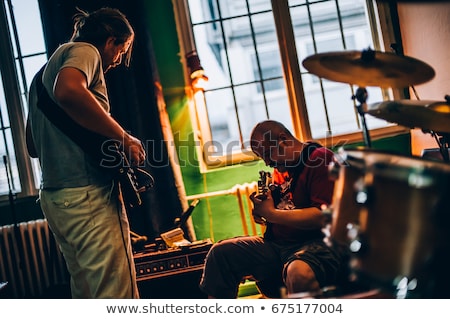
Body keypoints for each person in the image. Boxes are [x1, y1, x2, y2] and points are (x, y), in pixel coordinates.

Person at [25, 7, 145, 298]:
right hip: (89, 195)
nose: (117, 61)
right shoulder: (86, 51)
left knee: (87, 293)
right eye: (122, 50)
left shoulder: (41, 75)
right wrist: (123, 137)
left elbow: (31, 145)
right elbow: (68, 91)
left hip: (55, 199)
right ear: (110, 41)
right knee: (116, 295)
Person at [199, 120, 342, 298]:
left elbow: (324, 217)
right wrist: (262, 211)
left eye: (268, 153)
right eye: (262, 157)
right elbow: (284, 210)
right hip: (279, 246)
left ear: (283, 139)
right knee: (220, 254)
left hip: (318, 245)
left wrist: (272, 214)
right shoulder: (281, 168)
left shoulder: (320, 159)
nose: (267, 163)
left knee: (298, 272)